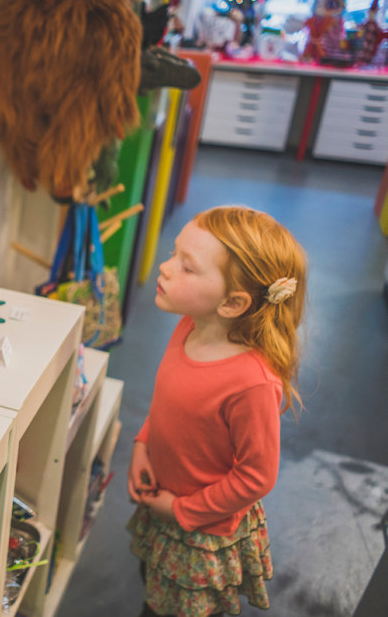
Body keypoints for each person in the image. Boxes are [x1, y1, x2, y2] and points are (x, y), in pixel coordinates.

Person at [127, 206, 307, 617]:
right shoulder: (190, 324)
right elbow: (170, 402)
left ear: (232, 303)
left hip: (200, 531)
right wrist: (143, 444)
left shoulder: (252, 383)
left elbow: (257, 476)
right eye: (174, 255)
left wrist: (181, 510)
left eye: (186, 268)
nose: (165, 267)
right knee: (150, 584)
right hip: (164, 502)